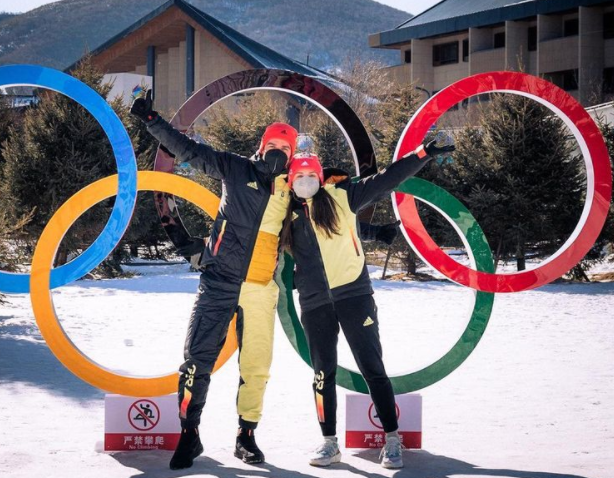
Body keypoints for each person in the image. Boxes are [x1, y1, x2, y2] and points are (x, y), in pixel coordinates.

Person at [130, 90, 295, 469]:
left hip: (260, 289)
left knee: (257, 366)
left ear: (289, 156)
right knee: (196, 360)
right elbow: (188, 150)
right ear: (261, 145)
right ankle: (189, 435)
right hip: (220, 280)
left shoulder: (293, 190)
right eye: (272, 146)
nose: (276, 155)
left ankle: (246, 436)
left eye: (283, 151)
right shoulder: (235, 168)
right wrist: (150, 119)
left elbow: (337, 207)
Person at [279, 133, 455, 469]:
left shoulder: (344, 195)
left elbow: (389, 177)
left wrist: (425, 152)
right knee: (322, 374)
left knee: (372, 369)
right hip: (315, 303)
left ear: (319, 176)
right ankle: (328, 442)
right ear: (290, 181)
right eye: (298, 177)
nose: (304, 182)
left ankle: (392, 439)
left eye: (310, 176)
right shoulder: (287, 212)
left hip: (354, 297)